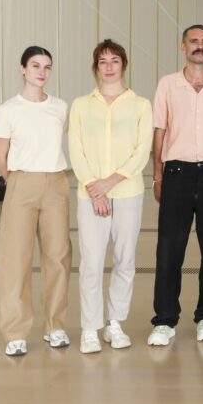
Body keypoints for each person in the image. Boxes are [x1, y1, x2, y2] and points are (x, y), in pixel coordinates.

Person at [148, 25, 203, 346]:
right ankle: (164, 320)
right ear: (182, 46)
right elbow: (159, 130)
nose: (199, 46)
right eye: (193, 41)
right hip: (177, 173)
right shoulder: (168, 85)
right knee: (170, 250)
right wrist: (157, 174)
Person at [68, 40, 152, 354]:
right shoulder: (80, 105)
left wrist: (110, 183)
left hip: (128, 193)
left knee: (124, 259)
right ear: (95, 67)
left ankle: (115, 323)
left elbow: (142, 151)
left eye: (114, 60)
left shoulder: (141, 104)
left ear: (123, 65)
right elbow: (76, 149)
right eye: (102, 61)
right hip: (90, 196)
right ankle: (90, 327)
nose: (109, 66)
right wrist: (94, 187)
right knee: (90, 261)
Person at [0, 46, 73, 356]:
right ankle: (15, 331)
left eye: (47, 67)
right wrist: (15, 183)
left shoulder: (60, 108)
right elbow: (0, 155)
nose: (42, 71)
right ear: (23, 69)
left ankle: (55, 325)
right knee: (15, 259)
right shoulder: (7, 110)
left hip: (55, 183)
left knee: (58, 257)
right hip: (21, 182)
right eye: (36, 65)